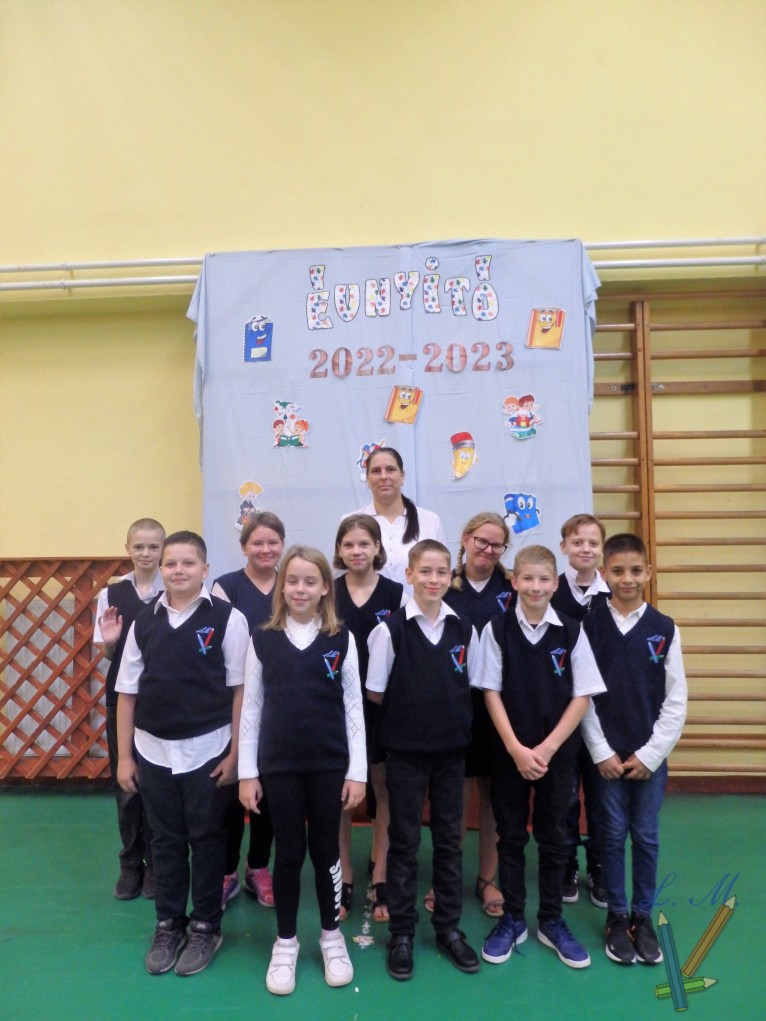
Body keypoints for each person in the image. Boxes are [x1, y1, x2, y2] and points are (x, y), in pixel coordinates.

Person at [115, 531, 249, 977]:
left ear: (205, 569)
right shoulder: (144, 621)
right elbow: (127, 693)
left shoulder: (228, 619)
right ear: (161, 570)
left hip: (209, 751)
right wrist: (125, 757)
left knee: (207, 839)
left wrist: (235, 753)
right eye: (170, 563)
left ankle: (206, 925)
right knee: (165, 839)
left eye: (188, 563)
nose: (178, 570)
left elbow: (240, 690)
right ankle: (168, 924)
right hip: (152, 751)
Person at [239, 547, 367, 996]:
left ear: (325, 587)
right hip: (279, 766)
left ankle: (331, 936)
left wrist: (357, 771)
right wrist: (248, 772)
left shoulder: (341, 639)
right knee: (289, 853)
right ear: (281, 586)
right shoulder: (263, 639)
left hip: (329, 764)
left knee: (326, 851)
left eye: (310, 581)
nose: (300, 589)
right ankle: (286, 941)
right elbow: (251, 707)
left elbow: (354, 706)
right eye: (292, 580)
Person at [477, 545, 605, 970]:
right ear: (514, 581)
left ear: (555, 583)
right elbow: (491, 692)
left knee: (555, 838)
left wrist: (547, 748)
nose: (535, 587)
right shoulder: (496, 629)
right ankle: (513, 918)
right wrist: (516, 748)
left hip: (557, 756)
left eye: (544, 579)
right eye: (527, 578)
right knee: (511, 837)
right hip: (509, 755)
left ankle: (551, 919)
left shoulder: (572, 631)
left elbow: (582, 695)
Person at [367, 539, 481, 981]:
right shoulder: (390, 630)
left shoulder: (464, 628)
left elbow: (472, 683)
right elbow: (376, 692)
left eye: (441, 572)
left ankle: (448, 927)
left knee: (450, 842)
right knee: (404, 842)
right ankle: (401, 932)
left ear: (451, 576)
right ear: (410, 575)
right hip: (405, 756)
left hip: (452, 755)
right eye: (425, 571)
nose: (433, 580)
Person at [580, 533, 687, 966]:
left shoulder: (665, 628)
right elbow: (582, 694)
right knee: (610, 834)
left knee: (644, 835)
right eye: (618, 571)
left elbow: (676, 699)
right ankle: (616, 916)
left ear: (649, 573)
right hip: (605, 756)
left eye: (636, 571)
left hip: (648, 758)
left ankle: (642, 917)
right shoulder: (589, 626)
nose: (627, 579)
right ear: (603, 573)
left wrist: (650, 754)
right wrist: (601, 751)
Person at [440, 511, 515, 919]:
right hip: (454, 702)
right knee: (453, 794)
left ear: (504, 549)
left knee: (492, 794)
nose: (487, 549)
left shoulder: (513, 587)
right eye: (480, 541)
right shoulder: (444, 584)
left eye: (496, 544)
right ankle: (446, 878)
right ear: (465, 539)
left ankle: (488, 878)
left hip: (499, 705)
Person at [212, 511, 286, 911]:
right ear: (244, 547)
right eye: (257, 542)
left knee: (268, 792)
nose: (265, 549)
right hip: (234, 700)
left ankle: (258, 866)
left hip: (278, 702)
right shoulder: (226, 587)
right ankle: (226, 872)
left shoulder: (290, 583)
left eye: (272, 542)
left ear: (282, 546)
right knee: (229, 791)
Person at [333, 514, 405, 923]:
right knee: (340, 793)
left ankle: (381, 873)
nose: (357, 551)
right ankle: (342, 875)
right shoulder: (328, 592)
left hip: (380, 707)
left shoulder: (396, 594)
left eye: (364, 543)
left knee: (382, 787)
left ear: (378, 547)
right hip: (336, 707)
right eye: (349, 544)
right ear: (339, 550)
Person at [94, 516, 165, 900]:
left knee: (156, 784)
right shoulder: (112, 593)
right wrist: (111, 642)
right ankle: (130, 862)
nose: (146, 553)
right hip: (121, 698)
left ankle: (156, 862)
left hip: (163, 700)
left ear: (162, 550)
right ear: (127, 549)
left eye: (153, 546)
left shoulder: (174, 589)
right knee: (126, 785)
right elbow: (109, 654)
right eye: (139, 546)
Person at [550, 513, 610, 908]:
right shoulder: (550, 591)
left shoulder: (614, 594)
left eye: (592, 543)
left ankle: (600, 867)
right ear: (564, 547)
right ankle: (567, 863)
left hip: (604, 714)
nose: (585, 549)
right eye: (577, 542)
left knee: (601, 796)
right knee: (566, 795)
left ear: (601, 549)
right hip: (564, 711)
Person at [347, 446, 445, 589]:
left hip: (418, 604)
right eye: (376, 471)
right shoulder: (351, 522)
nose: (383, 476)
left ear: (402, 476)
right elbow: (342, 576)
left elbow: (441, 573)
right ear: (367, 478)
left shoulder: (430, 521)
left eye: (390, 469)